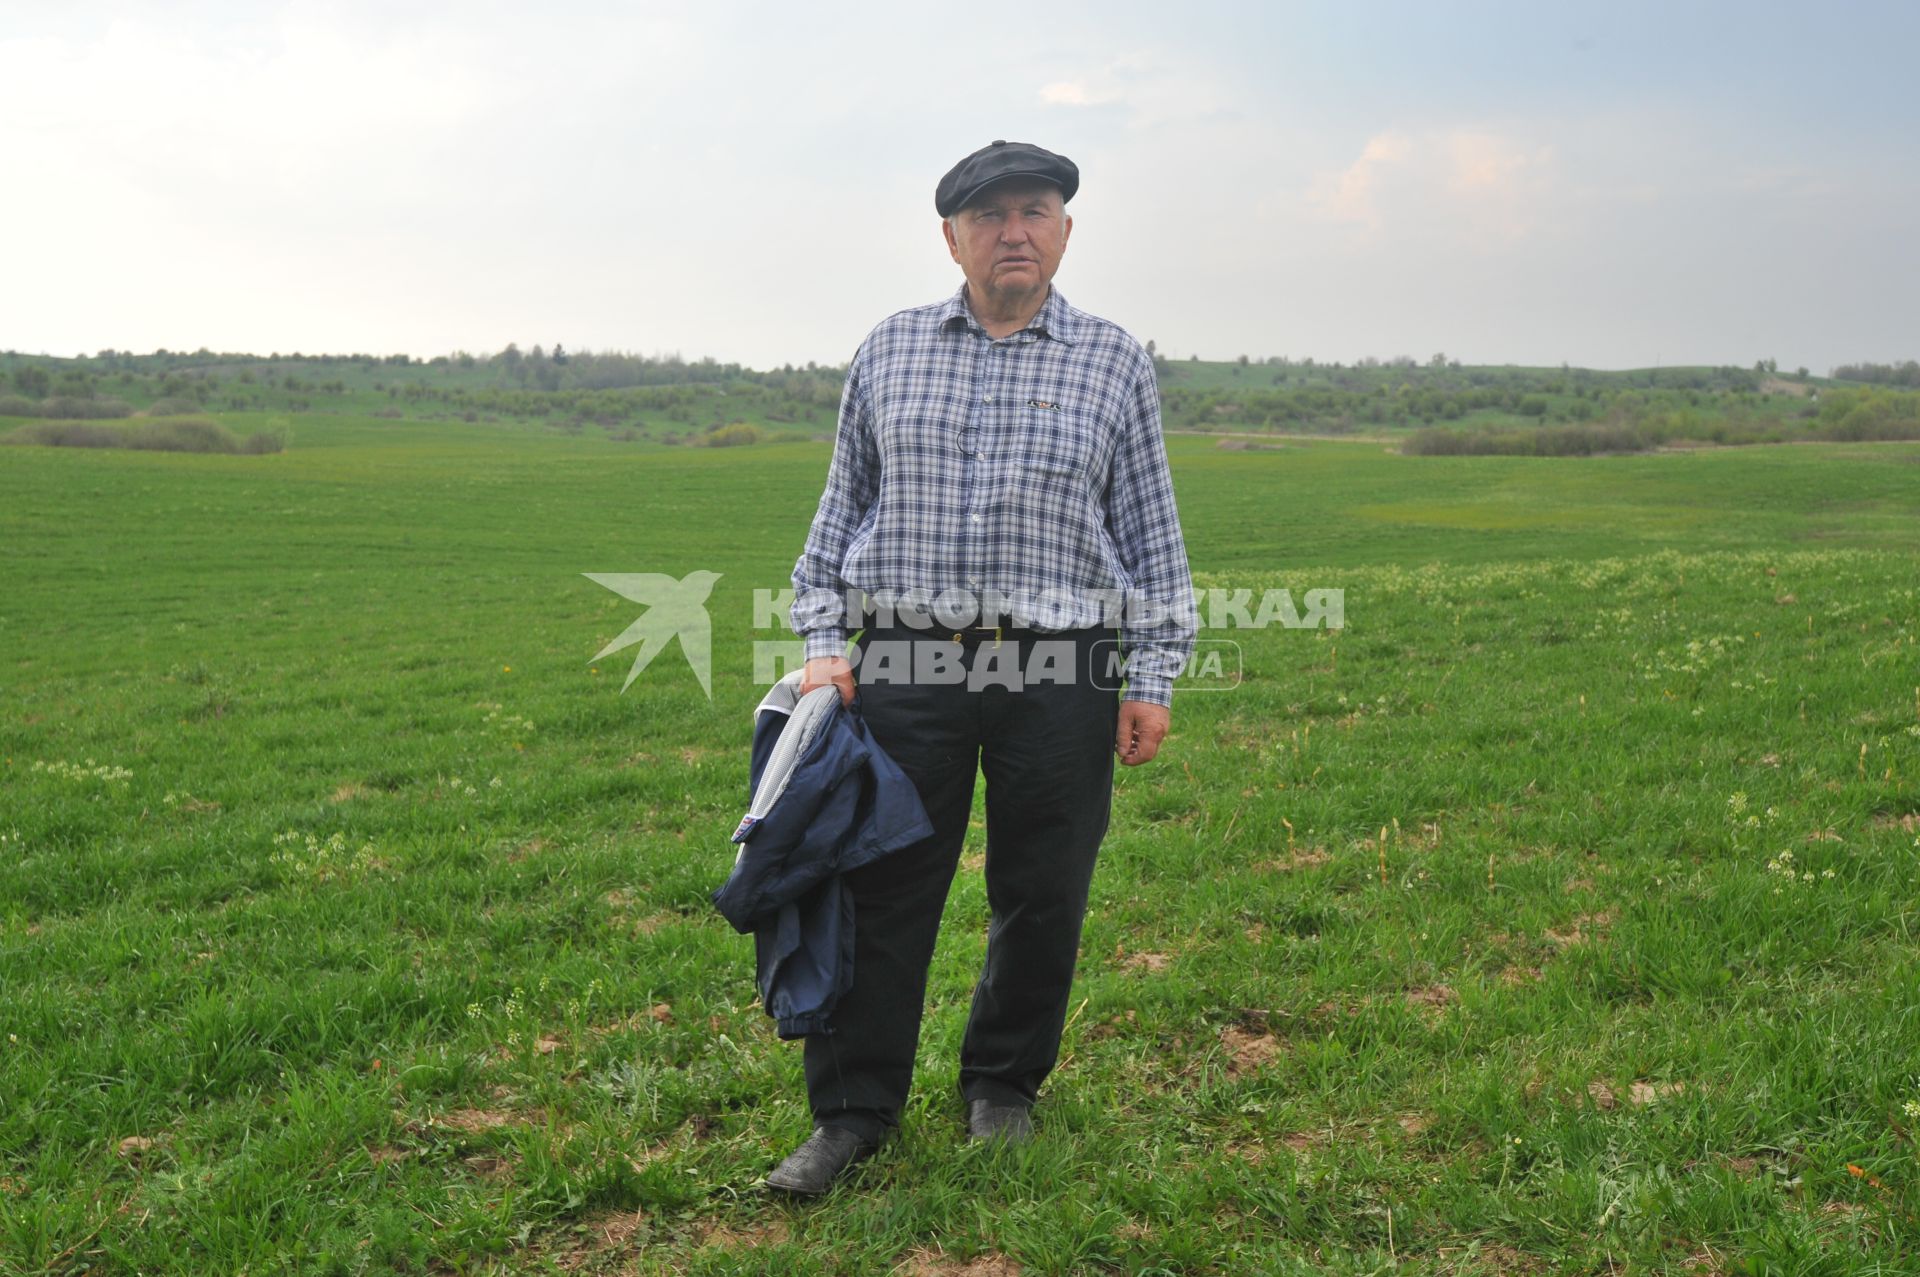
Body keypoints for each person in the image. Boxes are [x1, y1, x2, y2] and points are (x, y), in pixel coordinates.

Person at [767, 140, 1196, 1195]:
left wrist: (1153, 675)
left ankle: (1002, 1087)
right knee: (881, 889)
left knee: (1042, 888)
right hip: (907, 664)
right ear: (951, 235)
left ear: (1064, 230)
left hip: (1062, 669)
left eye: (1036, 211)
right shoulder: (890, 349)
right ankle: (853, 1112)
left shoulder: (1111, 359)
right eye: (992, 215)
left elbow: (1153, 531)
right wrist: (826, 647)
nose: (1016, 231)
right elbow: (833, 527)